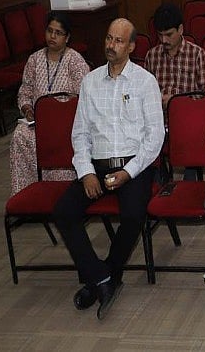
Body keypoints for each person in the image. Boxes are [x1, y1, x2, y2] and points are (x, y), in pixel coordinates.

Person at [53, 18, 163, 320]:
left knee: (132, 215)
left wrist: (129, 172)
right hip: (97, 166)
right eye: (108, 39)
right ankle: (100, 277)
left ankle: (107, 275)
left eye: (118, 41)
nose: (110, 46)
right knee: (64, 211)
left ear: (130, 46)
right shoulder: (90, 82)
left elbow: (155, 137)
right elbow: (80, 134)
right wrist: (86, 172)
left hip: (133, 166)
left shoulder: (144, 82)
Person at [10, 12, 89, 194]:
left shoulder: (75, 61)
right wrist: (27, 108)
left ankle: (63, 192)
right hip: (38, 122)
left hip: (66, 122)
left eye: (58, 33)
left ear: (67, 37)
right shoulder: (34, 60)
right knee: (20, 134)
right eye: (49, 31)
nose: (52, 36)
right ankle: (27, 193)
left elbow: (84, 96)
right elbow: (25, 90)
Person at [145, 3, 205, 108]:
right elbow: (145, 92)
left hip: (187, 114)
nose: (164, 40)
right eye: (160, 35)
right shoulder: (152, 56)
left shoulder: (197, 54)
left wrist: (176, 101)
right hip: (160, 117)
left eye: (169, 35)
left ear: (180, 29)